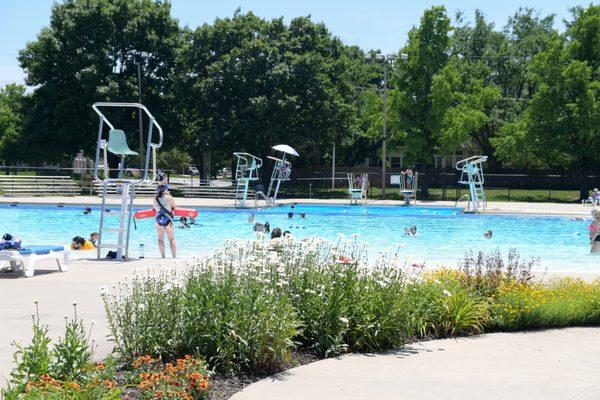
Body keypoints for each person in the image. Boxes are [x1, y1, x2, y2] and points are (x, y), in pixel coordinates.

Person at [154, 184, 177, 258]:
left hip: (158, 219)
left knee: (160, 239)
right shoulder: (170, 198)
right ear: (165, 190)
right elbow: (174, 207)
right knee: (171, 239)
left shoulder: (155, 199)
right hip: (168, 219)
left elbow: (154, 208)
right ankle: (174, 257)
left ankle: (163, 256)